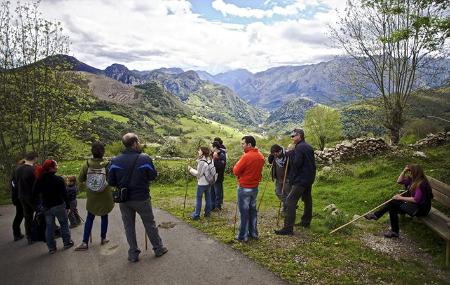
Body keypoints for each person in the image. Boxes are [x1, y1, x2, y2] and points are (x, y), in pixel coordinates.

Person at [108, 133, 167, 262]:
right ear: (135, 143)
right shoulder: (144, 158)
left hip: (124, 199)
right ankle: (158, 249)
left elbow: (111, 181)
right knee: (149, 224)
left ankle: (133, 254)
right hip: (142, 198)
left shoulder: (115, 160)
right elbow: (152, 176)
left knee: (129, 226)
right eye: (138, 142)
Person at [365, 164, 433, 238]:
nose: (409, 173)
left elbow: (416, 199)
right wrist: (404, 171)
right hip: (414, 206)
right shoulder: (413, 180)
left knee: (393, 203)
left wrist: (400, 198)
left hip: (421, 210)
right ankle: (394, 231)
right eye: (408, 171)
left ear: (415, 172)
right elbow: (399, 181)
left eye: (410, 171)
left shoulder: (421, 183)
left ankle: (376, 215)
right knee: (392, 207)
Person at [275, 129, 316, 235]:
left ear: (300, 136)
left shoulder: (299, 148)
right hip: (309, 178)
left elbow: (296, 164)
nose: (291, 138)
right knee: (307, 199)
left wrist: (292, 179)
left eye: (293, 136)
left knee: (290, 201)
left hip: (301, 179)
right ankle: (306, 221)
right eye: (291, 136)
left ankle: (288, 228)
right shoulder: (308, 146)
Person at [75, 142, 115, 251]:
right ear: (103, 152)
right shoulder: (107, 164)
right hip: (105, 195)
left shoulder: (87, 164)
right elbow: (112, 179)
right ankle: (103, 238)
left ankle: (84, 242)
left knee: (90, 217)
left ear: (92, 152)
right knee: (104, 216)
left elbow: (81, 179)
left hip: (92, 195)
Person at [33, 159, 74, 254]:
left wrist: (39, 205)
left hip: (46, 207)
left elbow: (34, 193)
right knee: (64, 224)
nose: (57, 167)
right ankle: (67, 242)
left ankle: (51, 247)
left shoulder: (39, 180)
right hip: (59, 205)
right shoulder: (58, 179)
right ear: (51, 168)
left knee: (49, 227)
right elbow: (64, 194)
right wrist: (68, 206)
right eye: (55, 166)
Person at [232, 136, 265, 242]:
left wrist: (236, 165)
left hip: (244, 187)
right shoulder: (261, 156)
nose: (242, 145)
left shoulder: (246, 156)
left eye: (243, 144)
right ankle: (253, 233)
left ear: (249, 144)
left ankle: (242, 236)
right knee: (252, 211)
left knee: (244, 212)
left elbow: (236, 171)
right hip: (255, 187)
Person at [15, 151, 38, 244]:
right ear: (35, 158)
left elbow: (16, 182)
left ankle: (29, 237)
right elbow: (36, 185)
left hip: (21, 195)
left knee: (27, 216)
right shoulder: (32, 170)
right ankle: (42, 232)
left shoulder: (17, 169)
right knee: (41, 213)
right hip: (31, 196)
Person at [188, 147, 213, 220]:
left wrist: (190, 169)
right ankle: (207, 213)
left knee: (199, 199)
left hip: (202, 183)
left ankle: (196, 215)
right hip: (208, 182)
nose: (198, 151)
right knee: (208, 198)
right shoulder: (209, 159)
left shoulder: (202, 162)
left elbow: (198, 174)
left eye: (199, 150)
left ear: (202, 152)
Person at [268, 144, 291, 215]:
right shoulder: (274, 156)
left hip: (287, 179)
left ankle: (286, 210)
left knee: (287, 194)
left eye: (276, 153)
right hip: (278, 179)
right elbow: (270, 162)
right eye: (273, 153)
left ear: (280, 150)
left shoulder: (287, 155)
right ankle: (290, 204)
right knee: (278, 192)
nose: (275, 155)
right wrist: (270, 157)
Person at [11, 159, 25, 241]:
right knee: (19, 215)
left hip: (18, 197)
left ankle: (17, 233)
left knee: (22, 214)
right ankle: (16, 233)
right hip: (18, 197)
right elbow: (16, 188)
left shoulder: (16, 174)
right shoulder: (16, 176)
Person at [211, 141, 226, 211]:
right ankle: (212, 206)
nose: (210, 148)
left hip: (218, 177)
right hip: (212, 176)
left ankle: (217, 206)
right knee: (212, 192)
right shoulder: (212, 154)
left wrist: (216, 159)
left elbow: (221, 166)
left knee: (217, 192)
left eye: (211, 147)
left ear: (215, 147)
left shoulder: (222, 155)